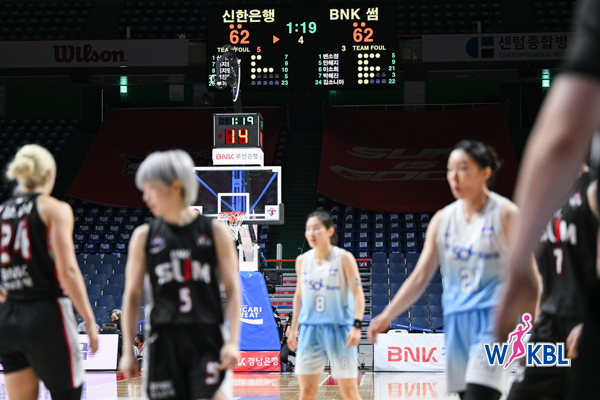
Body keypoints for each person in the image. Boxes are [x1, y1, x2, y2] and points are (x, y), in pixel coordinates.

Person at [367, 140, 538, 400]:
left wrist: (540, 326)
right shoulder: (442, 219)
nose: (454, 176)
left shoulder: (506, 214)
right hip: (456, 325)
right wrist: (387, 315)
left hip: (492, 323)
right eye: (450, 169)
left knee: (480, 395)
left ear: (485, 173)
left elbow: (531, 277)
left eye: (463, 168)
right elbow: (420, 277)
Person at [496, 0, 600, 340]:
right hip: (555, 317)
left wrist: (516, 269)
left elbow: (561, 139)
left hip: (578, 318)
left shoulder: (589, 192)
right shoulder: (563, 202)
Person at [118, 149, 241, 400]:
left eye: (150, 189)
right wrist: (128, 351)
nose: (145, 197)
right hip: (163, 339)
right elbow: (132, 295)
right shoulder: (144, 236)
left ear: (175, 187)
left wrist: (233, 342)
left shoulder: (216, 232)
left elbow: (232, 289)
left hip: (206, 335)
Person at [0, 144, 98, 400]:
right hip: (46, 313)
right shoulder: (54, 209)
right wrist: (89, 320)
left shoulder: (2, 212)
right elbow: (68, 270)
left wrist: (5, 296)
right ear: (50, 174)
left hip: (9, 317)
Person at [506, 168, 598, 400]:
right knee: (519, 394)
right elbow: (542, 268)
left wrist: (591, 321)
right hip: (550, 324)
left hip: (587, 320)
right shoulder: (547, 195)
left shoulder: (592, 188)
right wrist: (537, 317)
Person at [287, 211, 365, 400]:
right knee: (306, 391)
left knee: (349, 392)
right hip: (310, 331)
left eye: (316, 228)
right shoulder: (302, 261)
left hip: (339, 330)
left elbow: (358, 294)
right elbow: (299, 296)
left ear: (330, 231)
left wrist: (357, 326)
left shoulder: (344, 258)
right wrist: (293, 330)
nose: (311, 233)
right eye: (308, 229)